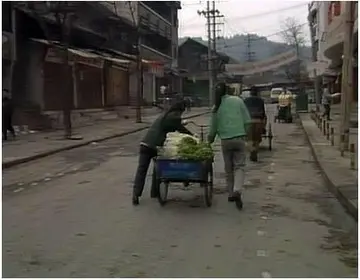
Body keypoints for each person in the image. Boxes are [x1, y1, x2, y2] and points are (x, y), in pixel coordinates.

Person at [132, 100, 193, 205]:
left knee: (141, 171)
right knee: (159, 169)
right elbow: (180, 129)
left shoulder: (165, 115)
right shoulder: (174, 117)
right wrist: (192, 136)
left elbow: (173, 126)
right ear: (180, 111)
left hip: (145, 144)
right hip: (156, 146)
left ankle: (136, 194)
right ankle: (155, 192)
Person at [207, 82, 251, 209]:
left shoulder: (216, 107)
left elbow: (213, 129)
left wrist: (208, 142)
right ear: (228, 90)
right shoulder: (238, 101)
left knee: (228, 168)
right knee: (240, 166)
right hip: (239, 138)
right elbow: (247, 121)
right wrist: (246, 136)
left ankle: (231, 193)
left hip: (225, 141)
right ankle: (237, 190)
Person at [244, 86, 266, 162]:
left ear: (250, 93)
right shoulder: (261, 101)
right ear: (257, 93)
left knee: (249, 139)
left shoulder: (246, 100)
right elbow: (263, 113)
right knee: (257, 139)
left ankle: (252, 149)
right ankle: (255, 150)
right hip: (258, 121)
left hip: (248, 121)